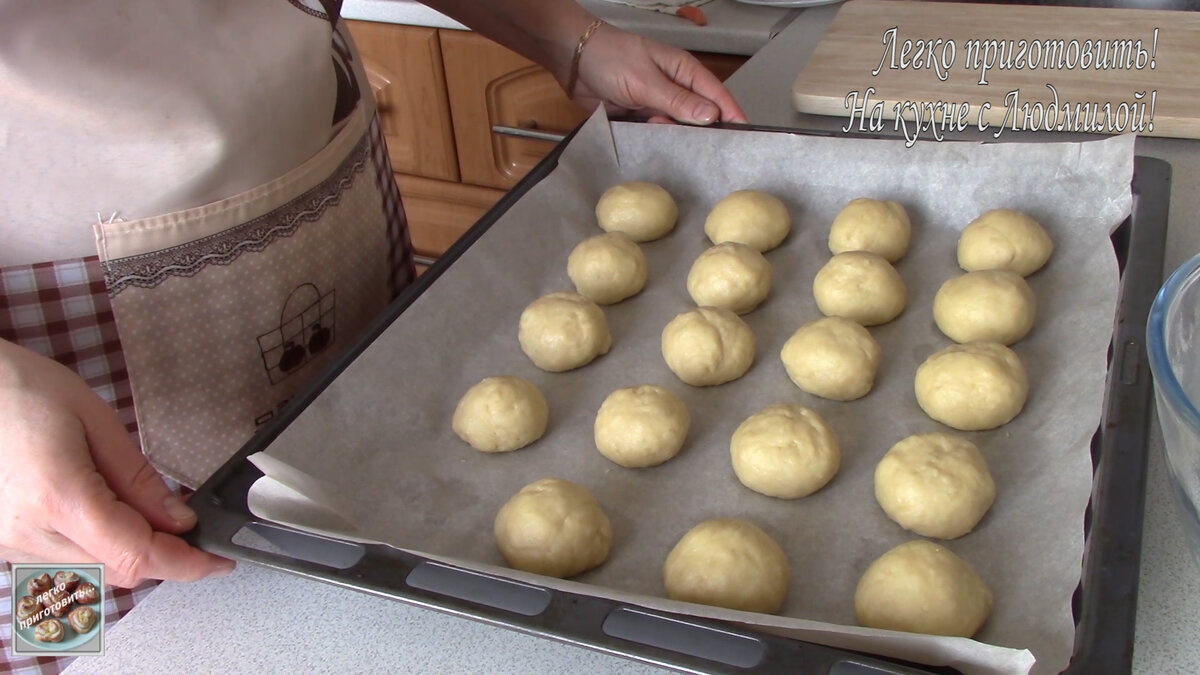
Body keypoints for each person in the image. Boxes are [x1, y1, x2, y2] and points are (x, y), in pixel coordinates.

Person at [0, 0, 745, 670]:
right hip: (58, 350)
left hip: (325, 208)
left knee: (382, 546)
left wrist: (562, 33)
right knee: (103, 628)